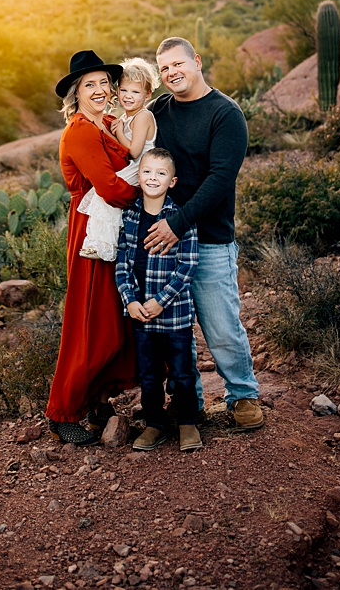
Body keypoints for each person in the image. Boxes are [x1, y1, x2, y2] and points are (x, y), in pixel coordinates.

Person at [145, 36, 264, 431]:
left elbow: (219, 180)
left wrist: (177, 224)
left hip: (207, 238)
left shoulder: (225, 114)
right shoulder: (159, 109)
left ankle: (243, 395)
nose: (172, 73)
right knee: (175, 330)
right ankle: (189, 404)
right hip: (165, 243)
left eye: (178, 64)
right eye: (164, 69)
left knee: (221, 325)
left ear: (196, 61)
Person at [45, 50, 139, 445]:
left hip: (115, 231)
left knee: (113, 322)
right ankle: (62, 412)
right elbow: (113, 189)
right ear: (76, 93)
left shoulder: (111, 124)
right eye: (90, 85)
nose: (100, 90)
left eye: (104, 82)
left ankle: (99, 402)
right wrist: (152, 187)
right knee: (90, 323)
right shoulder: (81, 130)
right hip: (92, 236)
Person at [115, 148, 202, 452]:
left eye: (161, 173)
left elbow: (188, 266)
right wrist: (130, 301)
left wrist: (161, 301)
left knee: (182, 371)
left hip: (174, 314)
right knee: (150, 376)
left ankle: (188, 422)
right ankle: (155, 424)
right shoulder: (129, 216)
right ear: (138, 177)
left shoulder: (181, 219)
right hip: (141, 315)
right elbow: (122, 263)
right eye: (147, 172)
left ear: (173, 181)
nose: (153, 178)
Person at [77, 57, 159, 260]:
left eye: (135, 92)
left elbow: (133, 151)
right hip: (134, 165)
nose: (128, 96)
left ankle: (105, 245)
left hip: (142, 166)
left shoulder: (143, 117)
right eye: (124, 90)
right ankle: (97, 242)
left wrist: (119, 132)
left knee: (109, 195)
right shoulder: (124, 118)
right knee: (101, 194)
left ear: (147, 95)